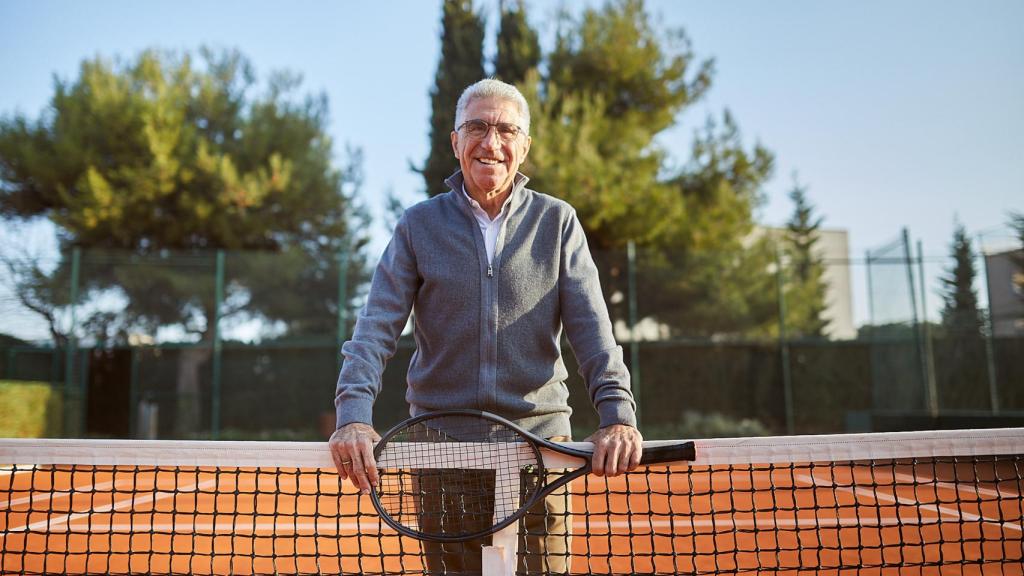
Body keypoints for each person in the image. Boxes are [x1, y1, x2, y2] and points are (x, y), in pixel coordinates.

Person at [329, 78, 641, 574]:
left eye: (506, 130)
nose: (490, 142)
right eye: (476, 127)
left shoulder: (557, 222)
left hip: (541, 453)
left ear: (525, 145)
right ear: (456, 141)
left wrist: (618, 415)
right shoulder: (417, 225)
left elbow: (593, 332)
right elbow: (374, 329)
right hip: (441, 453)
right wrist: (352, 416)